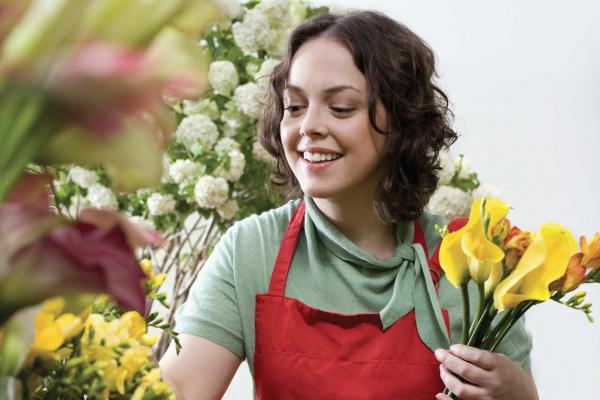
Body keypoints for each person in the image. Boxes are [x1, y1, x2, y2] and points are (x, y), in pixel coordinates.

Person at [159, 10, 539, 400]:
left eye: (340, 108)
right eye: (294, 106)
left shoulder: (474, 261)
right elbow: (179, 391)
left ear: (401, 122)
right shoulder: (253, 250)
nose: (308, 126)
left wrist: (522, 397)